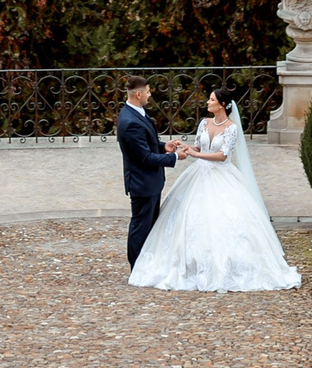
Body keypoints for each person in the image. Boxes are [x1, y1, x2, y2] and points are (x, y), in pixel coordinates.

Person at [128, 86, 301, 292]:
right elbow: (199, 147)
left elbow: (222, 156)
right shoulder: (204, 123)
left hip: (220, 176)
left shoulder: (232, 128)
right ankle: (188, 264)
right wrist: (185, 148)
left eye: (211, 100)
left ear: (222, 105)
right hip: (197, 175)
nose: (207, 102)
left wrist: (197, 156)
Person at [116, 76, 181, 266]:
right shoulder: (130, 122)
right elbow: (144, 158)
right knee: (140, 227)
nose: (150, 95)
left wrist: (164, 146)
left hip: (150, 182)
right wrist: (175, 157)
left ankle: (149, 264)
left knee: (150, 226)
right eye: (148, 91)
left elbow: (146, 145)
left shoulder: (138, 112)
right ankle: (137, 267)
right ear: (138, 94)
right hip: (142, 183)